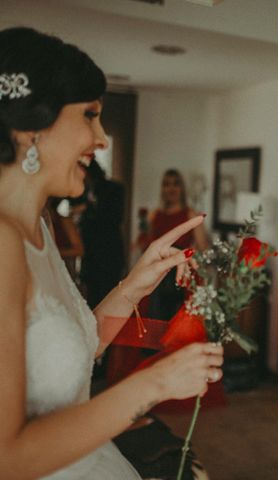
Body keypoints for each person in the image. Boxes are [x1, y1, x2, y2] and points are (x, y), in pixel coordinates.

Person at [0, 27, 223, 479]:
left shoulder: (38, 227)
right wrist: (154, 382)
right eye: (90, 115)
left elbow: (68, 355)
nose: (101, 139)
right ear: (30, 129)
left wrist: (134, 285)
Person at [146, 168, 209, 320]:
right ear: (162, 189)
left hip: (180, 276)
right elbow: (149, 246)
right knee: (154, 319)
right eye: (167, 184)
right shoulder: (154, 215)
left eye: (175, 184)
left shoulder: (191, 215)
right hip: (156, 275)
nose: (171, 188)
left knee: (176, 321)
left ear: (182, 188)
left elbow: (203, 248)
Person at [79, 160, 126, 309]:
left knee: (108, 296)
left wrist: (87, 209)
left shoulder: (114, 189)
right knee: (91, 297)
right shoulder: (81, 190)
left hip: (109, 254)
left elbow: (113, 219)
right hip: (90, 255)